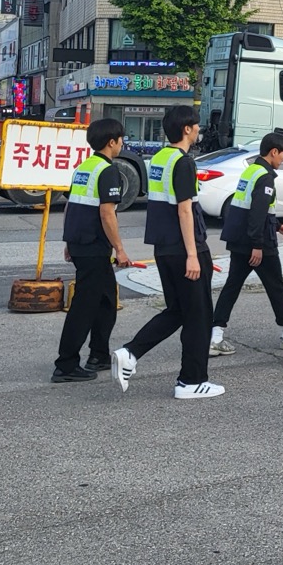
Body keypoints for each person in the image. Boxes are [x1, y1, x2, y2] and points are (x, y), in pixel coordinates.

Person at [112, 105, 221, 399]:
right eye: (196, 125)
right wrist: (193, 254)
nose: (198, 129)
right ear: (187, 129)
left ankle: (131, 353)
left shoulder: (159, 158)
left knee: (177, 311)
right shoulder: (183, 162)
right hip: (184, 249)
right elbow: (185, 210)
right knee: (199, 316)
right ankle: (191, 381)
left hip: (164, 249)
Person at [53, 117, 131, 383]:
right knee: (84, 305)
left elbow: (71, 205)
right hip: (93, 246)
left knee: (107, 300)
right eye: (121, 139)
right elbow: (107, 212)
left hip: (80, 242)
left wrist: (68, 242)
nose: (122, 144)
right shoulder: (108, 170)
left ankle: (98, 354)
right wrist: (119, 249)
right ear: (112, 142)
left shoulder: (84, 167)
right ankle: (66, 364)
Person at [210, 132, 283, 356]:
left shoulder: (251, 171)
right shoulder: (266, 177)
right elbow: (257, 213)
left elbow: (252, 208)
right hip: (258, 243)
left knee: (232, 286)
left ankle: (215, 335)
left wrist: (278, 225)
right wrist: (258, 245)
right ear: (274, 152)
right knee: (276, 287)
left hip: (239, 240)